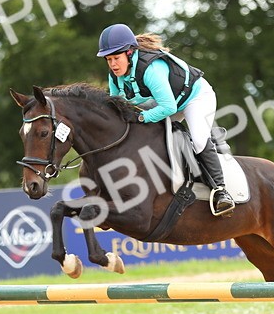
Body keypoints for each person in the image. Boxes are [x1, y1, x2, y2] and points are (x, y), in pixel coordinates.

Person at [97, 23, 235, 216]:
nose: (112, 64)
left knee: (198, 139)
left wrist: (141, 116)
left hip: (195, 98)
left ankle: (221, 191)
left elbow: (168, 107)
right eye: (108, 59)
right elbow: (117, 106)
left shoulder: (151, 69)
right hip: (166, 103)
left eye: (116, 58)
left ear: (129, 53)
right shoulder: (115, 75)